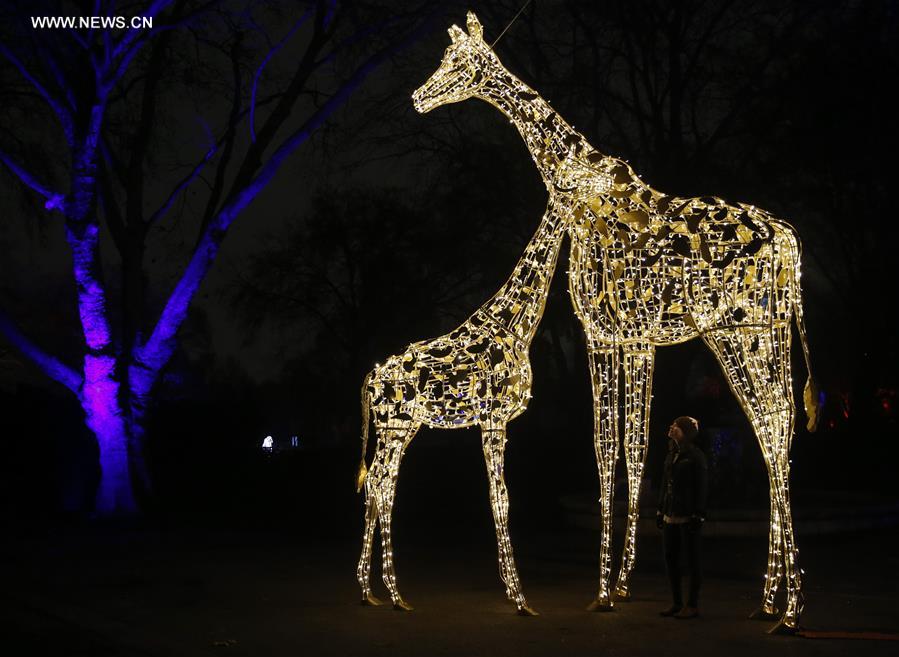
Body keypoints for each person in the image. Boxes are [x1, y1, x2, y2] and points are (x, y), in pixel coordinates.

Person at [656, 416, 708, 620]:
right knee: (671, 559)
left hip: (687, 516)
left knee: (692, 560)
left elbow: (701, 486)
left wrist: (698, 513)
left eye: (676, 426)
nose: (671, 427)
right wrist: (661, 510)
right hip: (671, 514)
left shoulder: (695, 456)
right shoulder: (672, 454)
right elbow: (664, 483)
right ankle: (677, 602)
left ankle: (692, 604)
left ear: (685, 432)